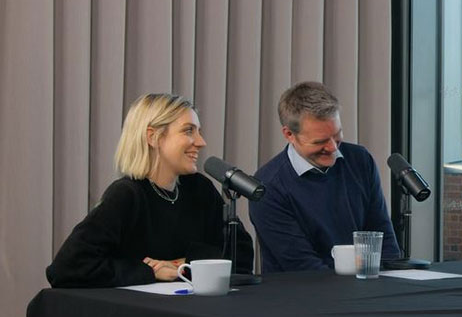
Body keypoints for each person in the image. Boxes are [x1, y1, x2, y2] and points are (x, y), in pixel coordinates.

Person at [46, 94, 254, 288]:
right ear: (153, 137)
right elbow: (66, 268)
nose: (201, 142)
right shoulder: (127, 195)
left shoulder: (199, 188)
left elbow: (241, 253)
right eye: (189, 130)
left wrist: (184, 263)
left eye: (198, 131)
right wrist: (148, 272)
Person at [249, 81, 401, 272]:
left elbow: (382, 238)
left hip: (366, 289)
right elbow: (302, 266)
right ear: (289, 134)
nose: (332, 147)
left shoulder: (360, 160)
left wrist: (390, 282)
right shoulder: (267, 187)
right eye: (320, 141)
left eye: (337, 135)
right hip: (302, 295)